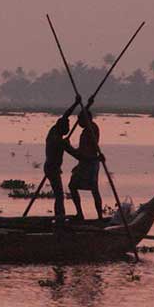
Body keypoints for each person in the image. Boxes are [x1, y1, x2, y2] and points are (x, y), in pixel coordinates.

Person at [44, 95, 81, 224]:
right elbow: (76, 155)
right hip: (52, 168)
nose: (68, 129)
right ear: (62, 128)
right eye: (67, 128)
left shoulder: (54, 130)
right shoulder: (58, 140)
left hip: (51, 167)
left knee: (59, 195)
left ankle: (60, 217)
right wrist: (95, 158)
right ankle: (59, 219)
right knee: (59, 195)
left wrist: (76, 103)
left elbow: (66, 115)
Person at [66, 101, 104, 220]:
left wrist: (69, 148)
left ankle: (99, 217)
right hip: (86, 162)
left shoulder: (91, 129)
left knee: (92, 189)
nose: (78, 123)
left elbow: (85, 153)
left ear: (85, 119)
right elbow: (83, 150)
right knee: (74, 186)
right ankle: (82, 214)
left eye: (80, 120)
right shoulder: (88, 130)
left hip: (90, 163)